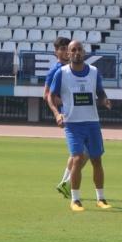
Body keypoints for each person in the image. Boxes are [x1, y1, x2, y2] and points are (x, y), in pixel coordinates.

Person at [47, 40, 113, 212]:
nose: (77, 52)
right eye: (73, 50)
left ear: (84, 52)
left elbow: (99, 90)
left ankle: (101, 198)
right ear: (68, 54)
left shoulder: (94, 72)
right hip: (72, 123)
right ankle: (75, 200)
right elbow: (50, 96)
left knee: (96, 159)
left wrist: (104, 99)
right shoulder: (61, 73)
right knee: (77, 158)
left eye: (80, 49)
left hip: (92, 121)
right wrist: (57, 114)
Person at [46, 37, 76, 199]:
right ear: (56, 52)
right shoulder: (56, 70)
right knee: (83, 152)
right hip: (69, 115)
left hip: (80, 114)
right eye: (62, 49)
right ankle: (67, 183)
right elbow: (47, 95)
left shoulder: (73, 68)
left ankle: (64, 183)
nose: (66, 51)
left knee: (76, 153)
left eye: (68, 48)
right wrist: (62, 108)